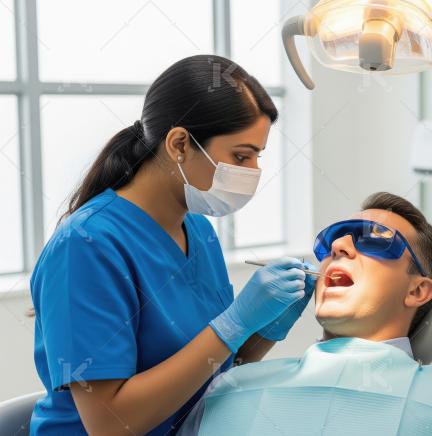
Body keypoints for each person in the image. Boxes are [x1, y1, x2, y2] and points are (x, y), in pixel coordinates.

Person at [29, 55, 316, 435]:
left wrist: (265, 326)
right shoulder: (85, 245)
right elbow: (110, 424)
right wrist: (235, 322)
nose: (253, 173)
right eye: (240, 156)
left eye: (257, 157)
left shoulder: (198, 230)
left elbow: (214, 372)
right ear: (179, 143)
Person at [177, 192, 432, 435]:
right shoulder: (231, 387)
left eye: (375, 239)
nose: (339, 247)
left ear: (417, 291)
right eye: (332, 242)